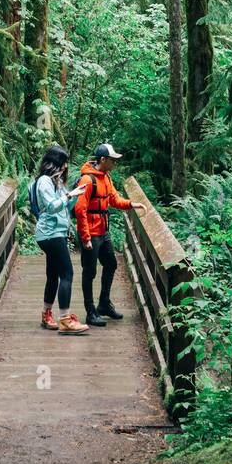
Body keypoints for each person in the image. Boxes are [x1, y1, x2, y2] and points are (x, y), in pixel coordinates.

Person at [74, 142, 146, 327]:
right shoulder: (88, 181)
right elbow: (80, 209)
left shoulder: (106, 178)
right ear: (103, 159)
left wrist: (131, 204)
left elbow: (114, 199)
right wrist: (86, 237)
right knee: (89, 272)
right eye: (112, 160)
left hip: (103, 232)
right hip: (91, 233)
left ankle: (104, 304)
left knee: (111, 264)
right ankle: (90, 312)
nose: (115, 163)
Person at [32, 145, 88, 334]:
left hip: (55, 233)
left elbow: (64, 205)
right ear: (55, 163)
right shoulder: (45, 182)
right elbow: (51, 206)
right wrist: (69, 195)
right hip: (51, 234)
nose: (66, 167)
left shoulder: (56, 182)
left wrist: (75, 194)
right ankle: (65, 319)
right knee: (67, 274)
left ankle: (46, 313)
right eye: (64, 163)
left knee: (53, 274)